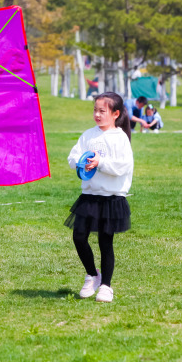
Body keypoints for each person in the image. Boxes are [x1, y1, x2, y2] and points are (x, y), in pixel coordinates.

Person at [65, 92, 134, 303]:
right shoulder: (88, 135)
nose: (97, 114)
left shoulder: (120, 138)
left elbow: (123, 167)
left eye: (102, 111)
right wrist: (81, 162)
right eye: (95, 110)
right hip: (89, 196)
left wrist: (100, 163)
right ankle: (92, 275)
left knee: (106, 241)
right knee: (79, 237)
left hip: (111, 198)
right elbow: (72, 157)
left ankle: (106, 286)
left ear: (115, 114)